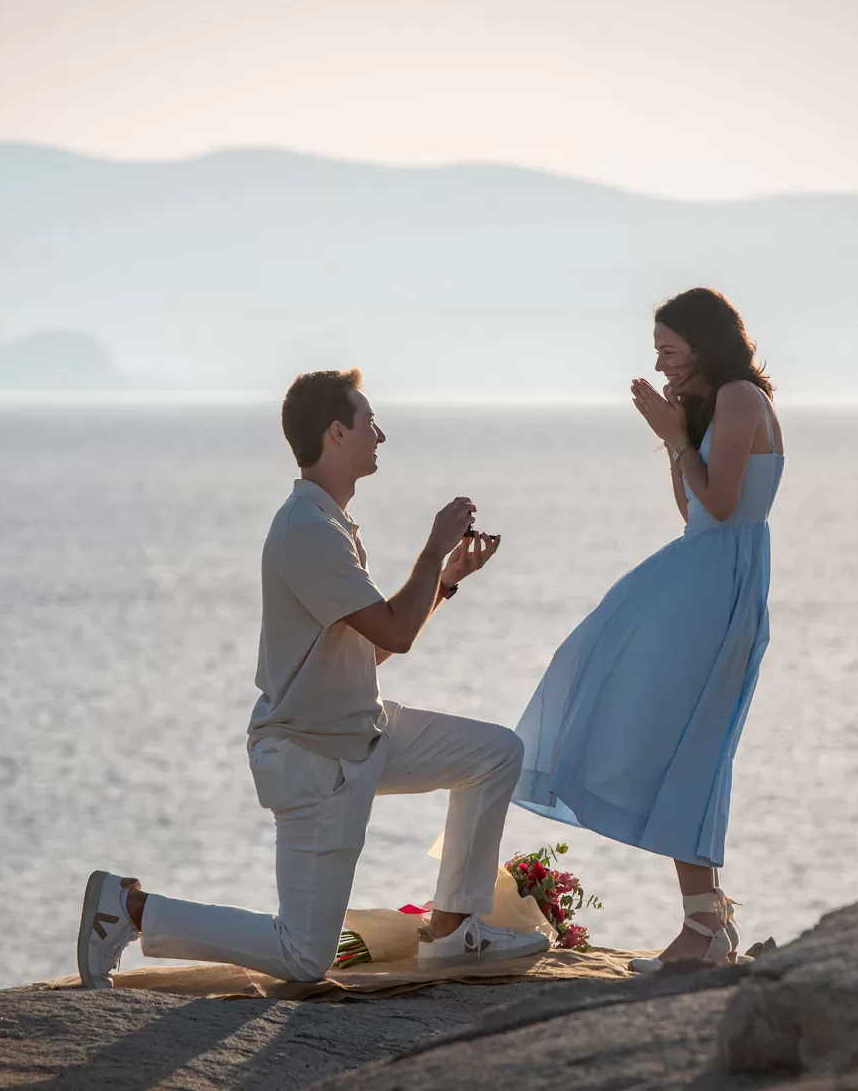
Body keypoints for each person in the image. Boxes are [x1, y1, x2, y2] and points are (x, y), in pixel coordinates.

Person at [76, 368, 549, 986]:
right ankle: (127, 909)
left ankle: (455, 931)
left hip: (363, 733)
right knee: (304, 958)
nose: (381, 433)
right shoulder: (308, 530)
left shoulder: (329, 525)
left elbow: (371, 651)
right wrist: (432, 551)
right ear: (335, 432)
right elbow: (396, 634)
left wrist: (446, 582)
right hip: (314, 760)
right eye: (369, 421)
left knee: (494, 754)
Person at [512, 288, 784, 971]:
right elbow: (689, 508)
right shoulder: (713, 404)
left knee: (688, 747)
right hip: (702, 574)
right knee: (667, 737)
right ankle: (706, 926)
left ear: (704, 344)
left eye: (670, 351)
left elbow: (719, 508)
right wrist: (677, 436)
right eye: (657, 352)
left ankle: (706, 929)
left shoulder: (741, 397)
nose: (661, 363)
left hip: (713, 582)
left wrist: (671, 434)